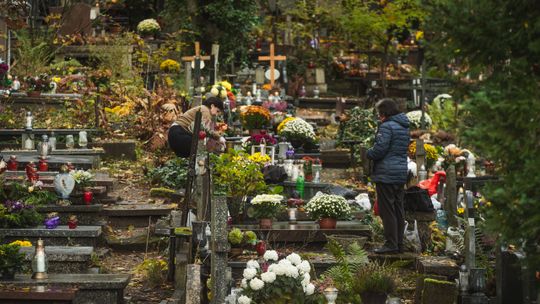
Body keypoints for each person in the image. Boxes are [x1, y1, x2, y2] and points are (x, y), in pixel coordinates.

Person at [367, 98, 410, 254]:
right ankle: (399, 244)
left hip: (386, 174)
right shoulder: (403, 126)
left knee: (387, 210)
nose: (379, 116)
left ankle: (390, 244)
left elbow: (380, 150)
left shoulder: (386, 126)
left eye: (379, 113)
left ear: (385, 113)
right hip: (399, 173)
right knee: (398, 208)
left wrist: (368, 152)